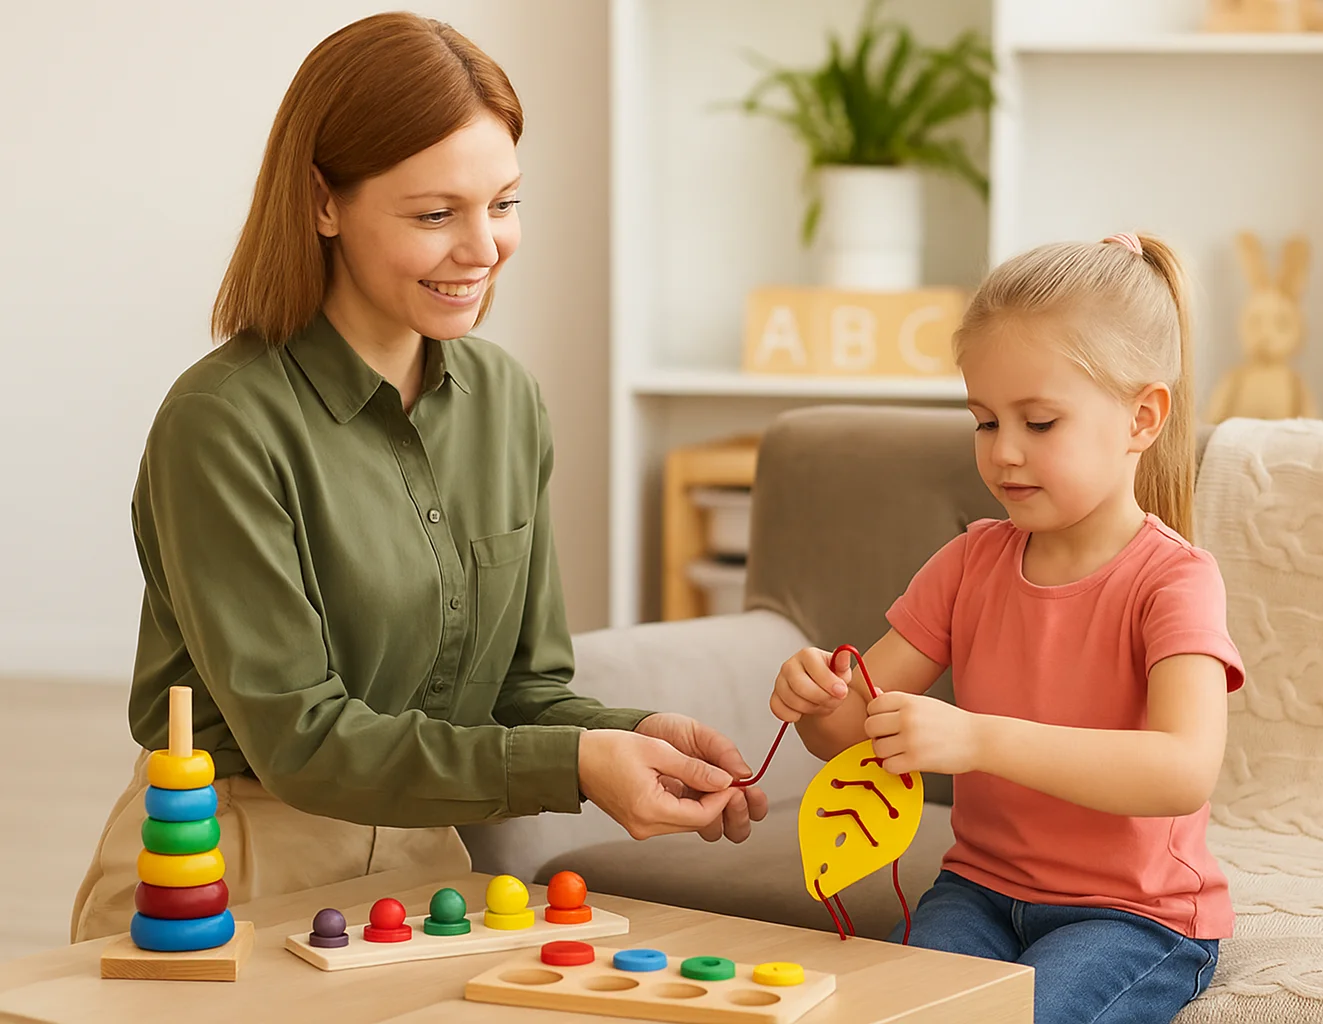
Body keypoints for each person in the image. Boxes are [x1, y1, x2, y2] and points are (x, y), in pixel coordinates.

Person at [72, 12, 766, 943]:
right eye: (436, 214)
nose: (483, 248)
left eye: (504, 203)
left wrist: (631, 737)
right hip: (226, 871)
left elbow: (522, 689)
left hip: (428, 877)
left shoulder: (506, 402)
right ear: (323, 202)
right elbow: (302, 742)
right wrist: (575, 766)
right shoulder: (222, 423)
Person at [770, 233, 1245, 1023]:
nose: (1005, 453)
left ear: (1142, 418)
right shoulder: (968, 563)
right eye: (986, 422)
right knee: (883, 1010)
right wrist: (816, 699)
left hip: (1132, 916)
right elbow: (850, 732)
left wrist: (978, 740)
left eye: (1040, 422)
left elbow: (1182, 770)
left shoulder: (1175, 580)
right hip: (977, 894)